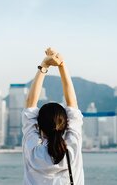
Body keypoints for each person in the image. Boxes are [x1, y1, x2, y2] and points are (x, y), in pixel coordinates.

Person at [22, 48, 84, 185]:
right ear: (65, 124)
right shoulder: (72, 149)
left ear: (38, 126)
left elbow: (30, 104)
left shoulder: (33, 151)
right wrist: (62, 65)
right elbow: (72, 103)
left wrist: (44, 64)